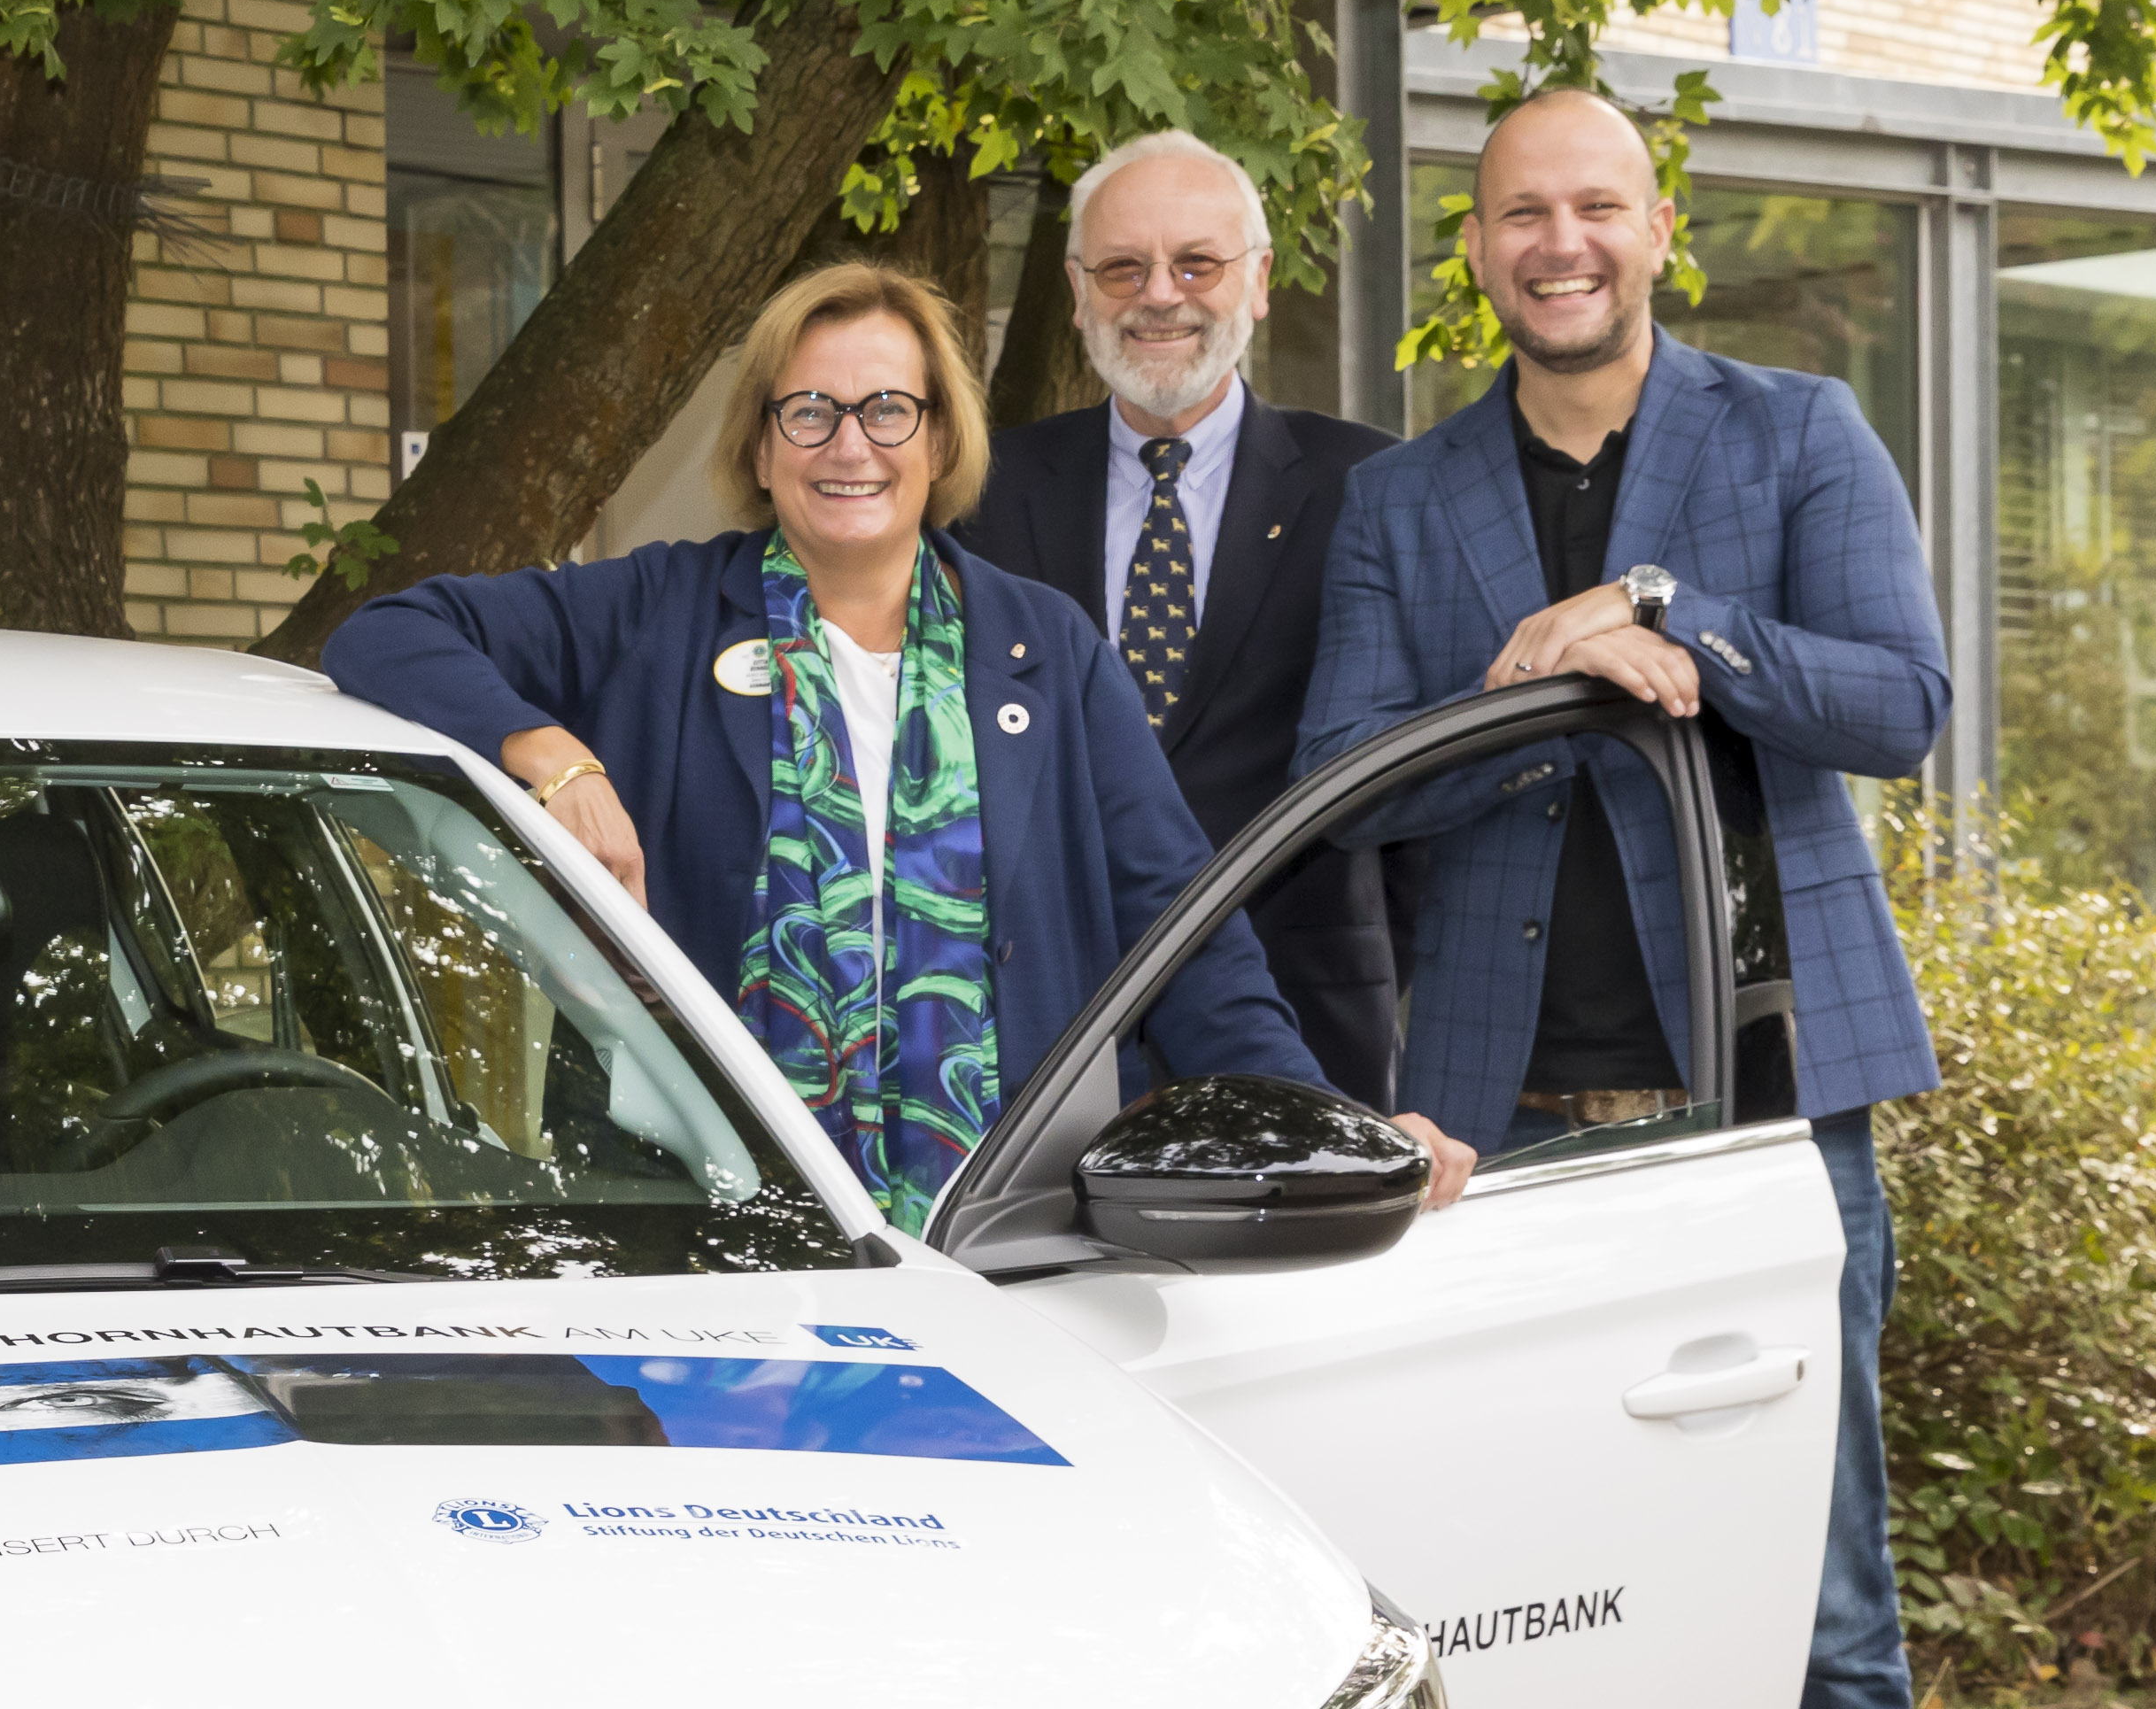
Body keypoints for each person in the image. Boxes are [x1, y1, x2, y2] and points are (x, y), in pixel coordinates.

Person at [1294, 88, 1951, 1709]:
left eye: (1593, 207)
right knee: (1528, 1587)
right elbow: (1346, 788)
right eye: (1516, 216)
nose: (1556, 243)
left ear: (1659, 228)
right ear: (1474, 254)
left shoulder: (1795, 438)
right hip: (1509, 1124)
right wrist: (1531, 691)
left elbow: (1902, 703)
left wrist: (1675, 635)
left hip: (1765, 1103)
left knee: (1820, 1594)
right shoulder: (1412, 503)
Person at [327, 260, 1463, 1233]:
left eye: (887, 409)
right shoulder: (658, 610)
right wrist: (555, 758)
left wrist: (1328, 1132)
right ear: (763, 446)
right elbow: (388, 630)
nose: (848, 445)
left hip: (998, 1225)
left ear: (939, 437)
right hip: (694, 1220)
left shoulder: (1041, 647)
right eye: (808, 411)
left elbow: (1185, 932)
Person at [950, 131, 1403, 1097]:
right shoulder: (983, 495)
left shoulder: (1373, 484)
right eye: (1122, 267)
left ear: (1260, 280)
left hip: (1303, 1024)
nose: (1160, 294)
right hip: (1048, 1039)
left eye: (1197, 262)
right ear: (1076, 293)